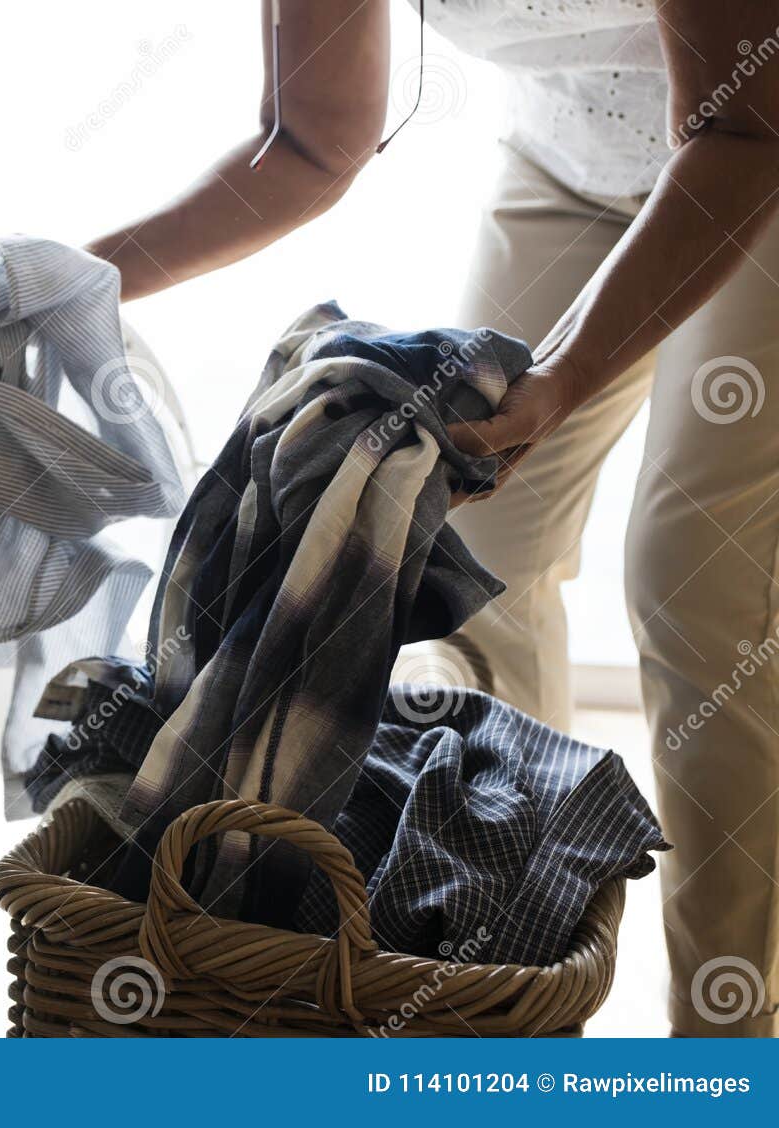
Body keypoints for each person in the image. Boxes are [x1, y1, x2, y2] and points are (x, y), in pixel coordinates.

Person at [88, 0, 779, 1037]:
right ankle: (517, 987)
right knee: (482, 551)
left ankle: (726, 1042)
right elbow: (309, 140)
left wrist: (566, 376)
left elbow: (740, 130)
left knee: (694, 584)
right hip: (569, 157)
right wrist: (66, 285)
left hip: (757, 140)